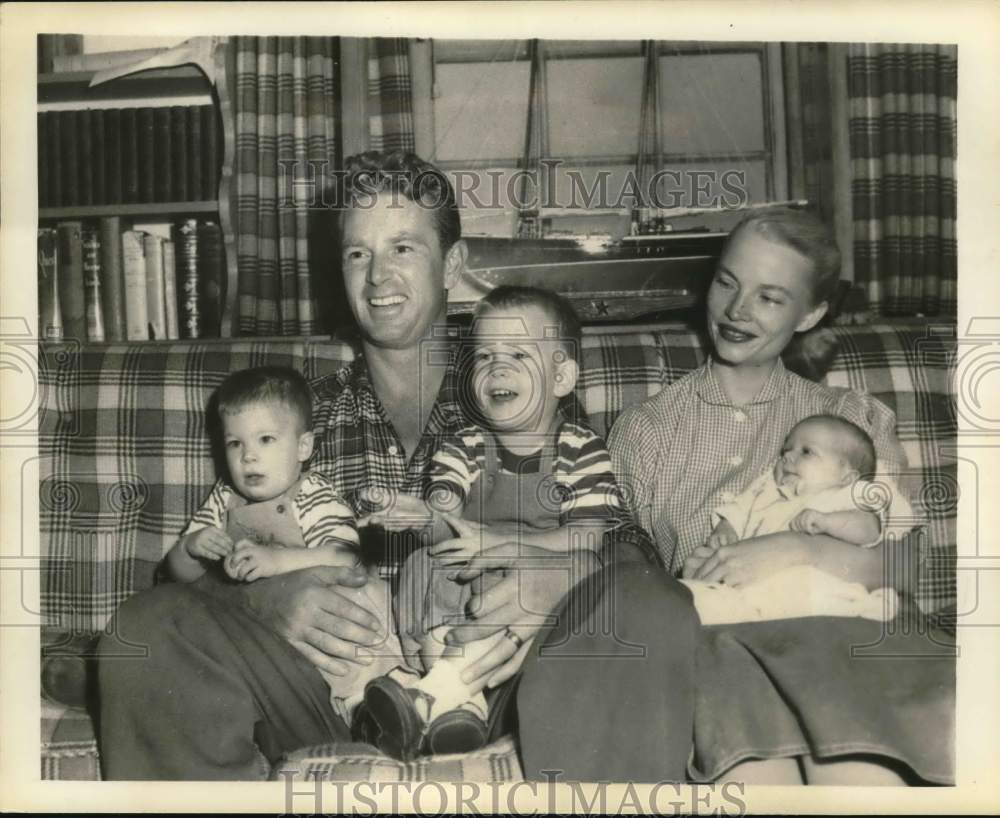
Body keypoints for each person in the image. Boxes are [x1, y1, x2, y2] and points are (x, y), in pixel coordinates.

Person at [97, 150, 698, 782]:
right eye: (359, 254)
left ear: (454, 267)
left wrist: (566, 575)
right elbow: (186, 584)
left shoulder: (521, 396)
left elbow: (631, 553)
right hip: (325, 698)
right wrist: (261, 601)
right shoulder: (297, 420)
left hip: (509, 689)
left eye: (404, 248)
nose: (379, 277)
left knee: (646, 602)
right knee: (146, 628)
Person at [609, 207, 954, 785]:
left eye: (770, 297)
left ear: (810, 313)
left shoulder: (850, 419)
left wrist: (795, 550)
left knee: (860, 780)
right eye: (727, 282)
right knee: (755, 780)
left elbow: (903, 566)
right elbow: (626, 572)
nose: (737, 310)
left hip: (842, 639)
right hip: (719, 653)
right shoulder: (645, 429)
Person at [357, 285, 627, 760]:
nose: (497, 368)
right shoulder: (463, 446)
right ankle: (452, 700)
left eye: (519, 354)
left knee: (550, 581)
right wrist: (420, 513)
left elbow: (588, 536)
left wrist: (500, 541)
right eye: (484, 356)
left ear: (561, 376)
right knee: (424, 562)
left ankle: (435, 696)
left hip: (534, 581)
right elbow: (446, 515)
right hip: (464, 581)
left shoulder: (582, 448)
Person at [164, 366, 401, 725]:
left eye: (266, 439)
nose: (248, 457)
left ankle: (372, 703)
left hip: (320, 632)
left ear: (303, 446)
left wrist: (278, 560)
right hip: (256, 639)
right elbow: (176, 574)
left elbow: (348, 558)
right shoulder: (223, 498)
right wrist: (191, 547)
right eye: (235, 443)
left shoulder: (313, 494)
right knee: (180, 622)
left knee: (365, 596)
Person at [680, 414, 914, 625]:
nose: (787, 457)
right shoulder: (766, 492)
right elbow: (738, 511)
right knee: (700, 593)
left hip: (815, 591)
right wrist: (726, 530)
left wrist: (827, 521)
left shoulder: (849, 493)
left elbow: (869, 529)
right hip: (755, 590)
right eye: (786, 451)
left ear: (847, 476)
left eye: (806, 451)